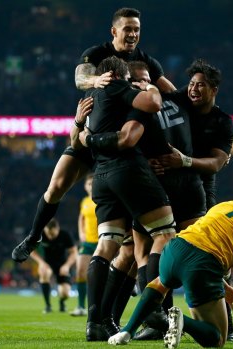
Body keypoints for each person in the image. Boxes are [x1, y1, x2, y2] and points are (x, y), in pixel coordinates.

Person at [11, 6, 175, 263]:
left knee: (131, 220)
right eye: (127, 29)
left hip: (125, 144)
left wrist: (192, 104)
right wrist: (94, 82)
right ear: (114, 31)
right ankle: (34, 236)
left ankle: (127, 271)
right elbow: (80, 78)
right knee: (56, 187)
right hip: (91, 132)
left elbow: (171, 93)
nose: (132, 34)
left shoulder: (147, 62)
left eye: (136, 29)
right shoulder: (97, 54)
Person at [108, 180, 233, 349]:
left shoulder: (227, 205)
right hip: (202, 267)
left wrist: (224, 287)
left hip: (174, 249)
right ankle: (178, 321)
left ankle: (126, 331)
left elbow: (204, 241)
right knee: (217, 339)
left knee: (160, 283)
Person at [75, 56, 176, 342]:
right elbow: (153, 105)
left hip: (101, 177)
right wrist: (150, 88)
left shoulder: (89, 97)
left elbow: (77, 139)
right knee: (165, 234)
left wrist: (82, 130)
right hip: (128, 170)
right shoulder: (117, 87)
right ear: (119, 75)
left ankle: (95, 321)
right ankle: (154, 309)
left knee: (107, 245)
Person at [157, 58, 233, 340]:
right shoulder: (179, 101)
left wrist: (184, 161)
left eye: (200, 85)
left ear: (214, 89)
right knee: (160, 250)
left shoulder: (223, 122)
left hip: (203, 188)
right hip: (171, 185)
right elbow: (158, 84)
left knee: (213, 257)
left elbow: (215, 163)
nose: (193, 89)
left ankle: (226, 320)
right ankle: (159, 319)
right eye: (191, 84)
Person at [28, 218, 78, 313]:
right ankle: (48, 305)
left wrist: (67, 266)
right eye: (48, 234)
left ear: (57, 228)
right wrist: (41, 263)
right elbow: (31, 250)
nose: (50, 236)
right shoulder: (40, 234)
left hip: (63, 265)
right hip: (48, 264)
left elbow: (74, 252)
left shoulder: (65, 235)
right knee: (44, 271)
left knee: (65, 294)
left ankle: (61, 301)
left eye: (52, 234)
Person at [70, 173, 98, 316]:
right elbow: (81, 218)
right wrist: (81, 233)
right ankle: (81, 306)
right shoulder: (85, 202)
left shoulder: (103, 199)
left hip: (103, 242)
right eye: (89, 184)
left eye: (93, 183)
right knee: (80, 271)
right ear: (85, 186)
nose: (91, 186)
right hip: (88, 242)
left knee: (103, 276)